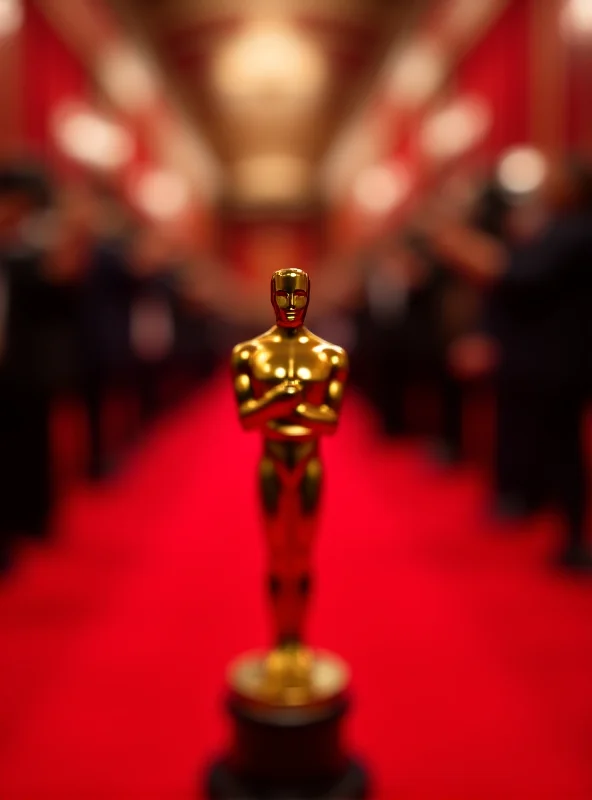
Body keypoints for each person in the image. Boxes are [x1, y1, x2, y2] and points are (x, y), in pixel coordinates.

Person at [427, 158, 592, 570]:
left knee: (563, 447)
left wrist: (462, 244)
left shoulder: (576, 231)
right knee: (546, 442)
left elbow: (517, 277)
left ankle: (574, 537)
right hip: (537, 357)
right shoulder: (554, 229)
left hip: (562, 358)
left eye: (554, 181)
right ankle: (542, 512)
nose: (545, 188)